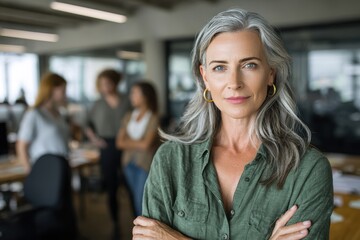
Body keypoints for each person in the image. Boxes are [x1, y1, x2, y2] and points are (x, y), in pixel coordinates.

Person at [132, 8, 333, 240]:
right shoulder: (171, 160)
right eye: (220, 67)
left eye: (249, 65)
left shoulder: (309, 170)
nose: (234, 83)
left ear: (270, 73)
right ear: (205, 76)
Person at [85, 68, 129, 239]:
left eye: (108, 83)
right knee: (111, 185)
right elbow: (87, 124)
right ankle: (115, 222)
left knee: (130, 182)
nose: (106, 87)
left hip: (126, 145)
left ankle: (138, 218)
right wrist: (95, 140)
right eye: (102, 84)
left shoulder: (126, 100)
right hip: (107, 146)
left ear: (115, 83)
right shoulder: (97, 103)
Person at [116, 81, 160, 217]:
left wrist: (129, 142)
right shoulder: (129, 116)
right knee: (134, 198)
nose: (131, 96)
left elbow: (146, 145)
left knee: (140, 200)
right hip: (128, 164)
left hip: (144, 165)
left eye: (134, 93)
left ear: (145, 96)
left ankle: (144, 233)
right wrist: (139, 143)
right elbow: (119, 143)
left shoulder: (154, 117)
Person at [17, 72, 69, 172]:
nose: (65, 94)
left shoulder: (59, 113)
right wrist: (29, 171)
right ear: (51, 89)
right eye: (63, 90)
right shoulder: (34, 114)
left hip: (62, 166)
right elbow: (21, 145)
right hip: (44, 169)